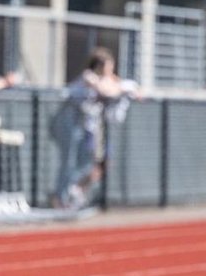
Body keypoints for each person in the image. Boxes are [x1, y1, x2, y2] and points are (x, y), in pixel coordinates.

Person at [50, 47, 140, 208]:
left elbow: (133, 88)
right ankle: (61, 197)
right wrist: (120, 87)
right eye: (108, 66)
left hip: (88, 128)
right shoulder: (89, 77)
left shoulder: (110, 80)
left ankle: (74, 190)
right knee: (71, 162)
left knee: (96, 162)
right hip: (71, 124)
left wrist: (124, 87)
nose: (111, 70)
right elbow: (106, 91)